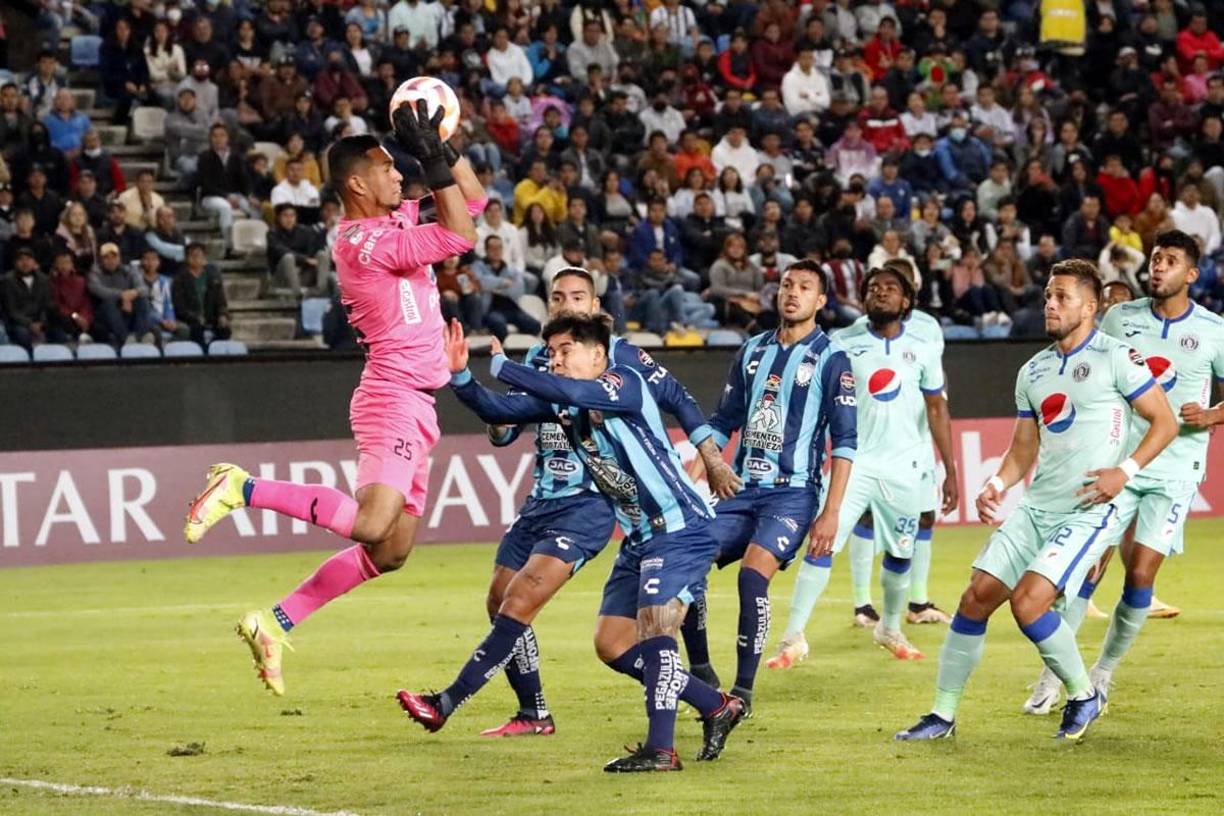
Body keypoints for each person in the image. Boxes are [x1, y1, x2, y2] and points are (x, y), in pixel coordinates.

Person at [182, 102, 483, 697]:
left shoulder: (394, 220)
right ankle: (240, 487)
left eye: (402, 167)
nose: (401, 175)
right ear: (357, 184)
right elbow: (461, 233)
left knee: (392, 552)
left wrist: (445, 145)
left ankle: (275, 620)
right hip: (392, 396)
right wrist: (432, 160)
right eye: (389, 168)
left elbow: (470, 204)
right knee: (372, 523)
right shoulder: (362, 243)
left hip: (420, 403)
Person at [397, 268, 731, 738]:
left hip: (655, 522)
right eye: (557, 297)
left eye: (577, 298)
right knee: (610, 644)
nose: (554, 358)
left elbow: (592, 391)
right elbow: (503, 414)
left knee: (642, 628)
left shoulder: (622, 374)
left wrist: (710, 456)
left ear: (596, 317)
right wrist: (459, 376)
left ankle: (449, 702)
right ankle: (714, 703)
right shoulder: (552, 371)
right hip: (618, 527)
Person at [895, 260, 1177, 743]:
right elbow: (1023, 448)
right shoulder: (1034, 370)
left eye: (1062, 296)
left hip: (1089, 508)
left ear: (1090, 307)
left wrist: (1123, 472)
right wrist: (998, 484)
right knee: (975, 598)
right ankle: (942, 716)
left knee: (1028, 604)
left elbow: (1165, 422)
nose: (1050, 303)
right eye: (1048, 295)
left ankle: (1081, 693)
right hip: (1035, 507)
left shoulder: (1117, 357)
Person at [1021, 230, 1224, 715]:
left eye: (1170, 261)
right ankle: (1056, 671)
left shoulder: (1214, 329)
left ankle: (1103, 672)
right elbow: (1087, 365)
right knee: (1087, 563)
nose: (1158, 267)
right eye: (1155, 259)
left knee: (1141, 571)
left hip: (1176, 467)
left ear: (1191, 274)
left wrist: (1213, 415)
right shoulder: (1121, 317)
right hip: (1118, 463)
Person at [677, 260, 857, 711]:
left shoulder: (832, 359)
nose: (792, 293)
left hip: (792, 494)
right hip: (739, 489)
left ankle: (742, 691)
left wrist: (831, 513)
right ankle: (700, 667)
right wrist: (694, 475)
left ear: (821, 301)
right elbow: (722, 422)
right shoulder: (752, 351)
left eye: (805, 287)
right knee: (685, 559)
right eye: (786, 285)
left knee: (752, 576)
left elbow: (846, 442)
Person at [768, 265, 948, 667]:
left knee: (902, 555)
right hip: (855, 462)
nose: (880, 292)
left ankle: (890, 627)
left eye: (891, 288)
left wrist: (949, 468)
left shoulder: (923, 344)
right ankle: (792, 636)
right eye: (873, 287)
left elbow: (937, 406)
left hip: (905, 466)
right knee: (822, 542)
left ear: (906, 301)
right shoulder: (841, 342)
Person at [471, 235, 541, 341]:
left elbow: (519, 289)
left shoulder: (510, 269)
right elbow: (480, 282)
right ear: (486, 250)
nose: (496, 251)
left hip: (512, 308)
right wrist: (503, 282)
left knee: (535, 326)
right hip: (491, 310)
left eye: (499, 247)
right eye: (493, 248)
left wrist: (494, 288)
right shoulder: (478, 266)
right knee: (500, 328)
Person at [88, 242, 152, 347]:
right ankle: (124, 340)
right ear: (101, 259)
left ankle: (140, 337)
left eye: (114, 257)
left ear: (119, 258)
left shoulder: (129, 270)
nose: (111, 261)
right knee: (109, 303)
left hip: (127, 309)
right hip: (103, 315)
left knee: (142, 300)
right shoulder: (95, 272)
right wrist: (122, 295)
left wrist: (133, 293)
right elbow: (97, 290)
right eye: (106, 258)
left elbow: (144, 288)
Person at [171, 242, 230, 346]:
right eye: (193, 255)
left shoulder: (212, 276)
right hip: (191, 319)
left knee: (225, 329)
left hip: (211, 317)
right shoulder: (179, 279)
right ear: (186, 258)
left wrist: (222, 314)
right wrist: (194, 317)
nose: (197, 258)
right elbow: (179, 307)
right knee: (196, 329)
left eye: (199, 255)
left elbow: (221, 300)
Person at [2, 247, 60, 349]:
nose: (25, 263)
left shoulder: (43, 279)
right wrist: (30, 324)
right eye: (21, 260)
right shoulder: (8, 280)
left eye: (28, 259)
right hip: (19, 323)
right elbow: (11, 310)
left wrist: (41, 323)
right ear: (15, 263)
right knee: (23, 335)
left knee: (59, 335)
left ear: (34, 262)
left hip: (41, 321)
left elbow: (46, 304)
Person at [266, 204, 328, 296]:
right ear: (278, 218)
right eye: (285, 215)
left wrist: (327, 229)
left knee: (322, 254)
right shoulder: (272, 233)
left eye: (292, 215)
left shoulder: (305, 231)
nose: (289, 219)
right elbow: (280, 250)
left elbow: (316, 247)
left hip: (303, 273)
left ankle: (321, 290)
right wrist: (305, 259)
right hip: (282, 277)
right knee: (288, 257)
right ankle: (297, 294)